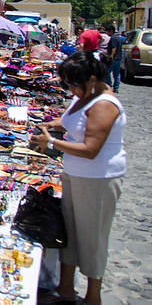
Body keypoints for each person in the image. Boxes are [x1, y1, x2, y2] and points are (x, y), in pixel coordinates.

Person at [30, 51, 125, 305]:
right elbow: (72, 122)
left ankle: (93, 298)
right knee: (69, 231)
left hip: (98, 179)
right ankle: (65, 289)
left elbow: (91, 149)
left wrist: (51, 142)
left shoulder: (104, 104)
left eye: (73, 84)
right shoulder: (85, 97)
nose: (70, 89)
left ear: (92, 79)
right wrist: (52, 125)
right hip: (75, 174)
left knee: (92, 236)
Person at [105, 24, 122, 93]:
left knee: (107, 72)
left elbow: (114, 48)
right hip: (118, 58)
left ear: (111, 31)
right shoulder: (119, 38)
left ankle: (109, 85)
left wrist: (111, 57)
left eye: (107, 31)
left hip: (114, 58)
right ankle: (116, 87)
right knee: (116, 74)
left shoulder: (113, 38)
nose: (107, 33)